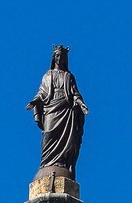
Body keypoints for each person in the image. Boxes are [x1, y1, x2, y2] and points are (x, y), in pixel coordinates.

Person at [25, 44, 89, 174]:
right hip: (51, 108)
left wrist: (81, 103)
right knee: (48, 134)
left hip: (66, 110)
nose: (60, 59)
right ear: (54, 57)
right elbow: (42, 92)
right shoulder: (47, 76)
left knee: (67, 140)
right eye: (57, 56)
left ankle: (62, 163)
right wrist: (35, 101)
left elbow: (75, 93)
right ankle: (47, 163)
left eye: (62, 56)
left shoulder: (69, 76)